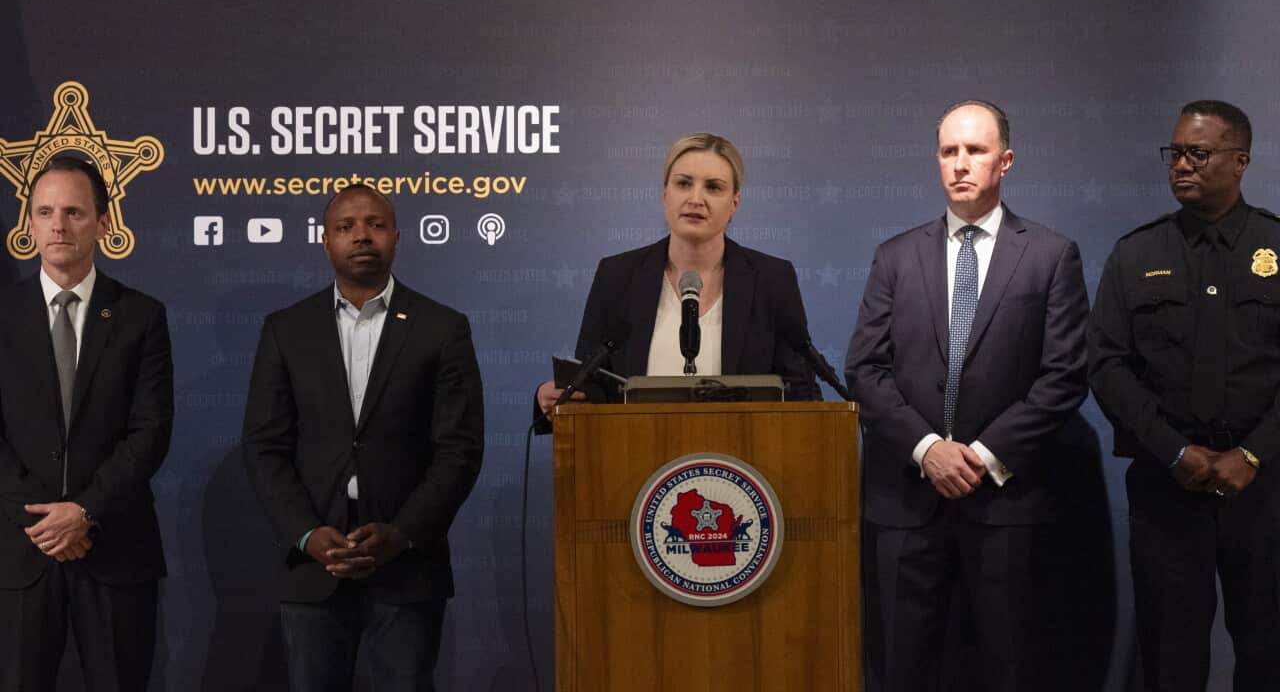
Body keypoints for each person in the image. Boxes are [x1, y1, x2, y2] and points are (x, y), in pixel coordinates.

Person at [845, 100, 1090, 691]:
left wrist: (979, 456)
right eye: (949, 151)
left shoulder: (1051, 255)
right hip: (905, 503)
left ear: (1005, 161)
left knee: (1007, 669)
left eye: (975, 151)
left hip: (1006, 506)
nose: (960, 164)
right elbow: (865, 369)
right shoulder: (895, 256)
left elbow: (1063, 378)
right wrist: (928, 448)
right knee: (901, 670)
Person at [242, 184, 483, 691]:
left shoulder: (442, 328)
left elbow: (459, 450)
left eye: (374, 224)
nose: (361, 235)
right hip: (313, 567)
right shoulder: (286, 329)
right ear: (325, 241)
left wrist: (403, 533)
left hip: (408, 566)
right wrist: (307, 534)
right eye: (345, 226)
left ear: (396, 238)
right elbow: (265, 447)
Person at [1089, 100, 1280, 691]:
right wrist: (1174, 451)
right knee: (1170, 657)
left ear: (1240, 161)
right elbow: (1107, 364)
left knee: (1268, 651)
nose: (1181, 166)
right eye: (1175, 153)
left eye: (1199, 153)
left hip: (1265, 487)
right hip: (1168, 488)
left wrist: (1250, 455)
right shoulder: (1137, 254)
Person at [0, 156, 174, 691]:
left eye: (74, 212)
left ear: (103, 222)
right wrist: (47, 520)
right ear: (28, 224)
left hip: (116, 548)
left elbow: (150, 431)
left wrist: (84, 510)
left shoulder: (141, 315)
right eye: (46, 211)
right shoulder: (1, 313)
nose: (59, 225)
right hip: (21, 552)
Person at [534, 132, 818, 420]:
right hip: (635, 457)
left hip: (742, 461)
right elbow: (590, 385)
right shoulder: (617, 276)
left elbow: (801, 392)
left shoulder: (772, 279)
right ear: (665, 193)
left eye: (713, 187)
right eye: (683, 183)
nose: (696, 199)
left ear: (734, 203)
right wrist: (558, 397)